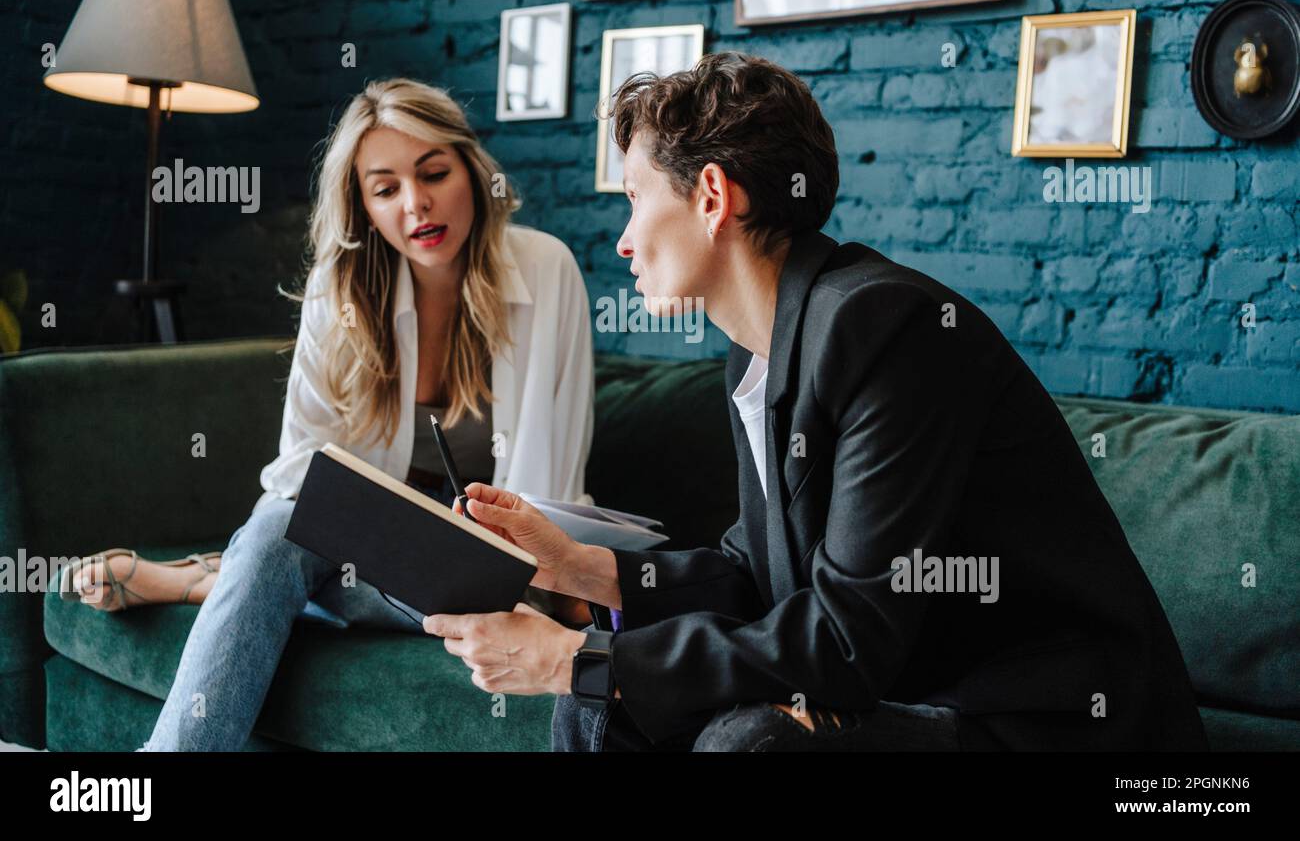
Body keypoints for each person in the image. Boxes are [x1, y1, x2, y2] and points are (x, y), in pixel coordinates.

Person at [422, 52, 1209, 753]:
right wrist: (582, 567)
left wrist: (576, 658)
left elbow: (848, 635)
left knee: (736, 734)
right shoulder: (760, 350)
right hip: (924, 693)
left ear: (711, 197)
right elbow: (760, 573)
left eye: (634, 198)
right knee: (601, 711)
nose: (623, 240)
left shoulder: (884, 328)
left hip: (1042, 721)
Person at [60, 77, 596, 751]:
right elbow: (298, 473)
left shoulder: (548, 270)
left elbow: (552, 484)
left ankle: (203, 581)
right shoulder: (339, 286)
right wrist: (373, 530)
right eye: (386, 188)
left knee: (281, 562)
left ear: (472, 169)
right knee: (277, 532)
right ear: (362, 204)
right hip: (356, 542)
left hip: (486, 552)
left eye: (435, 172)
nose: (417, 204)